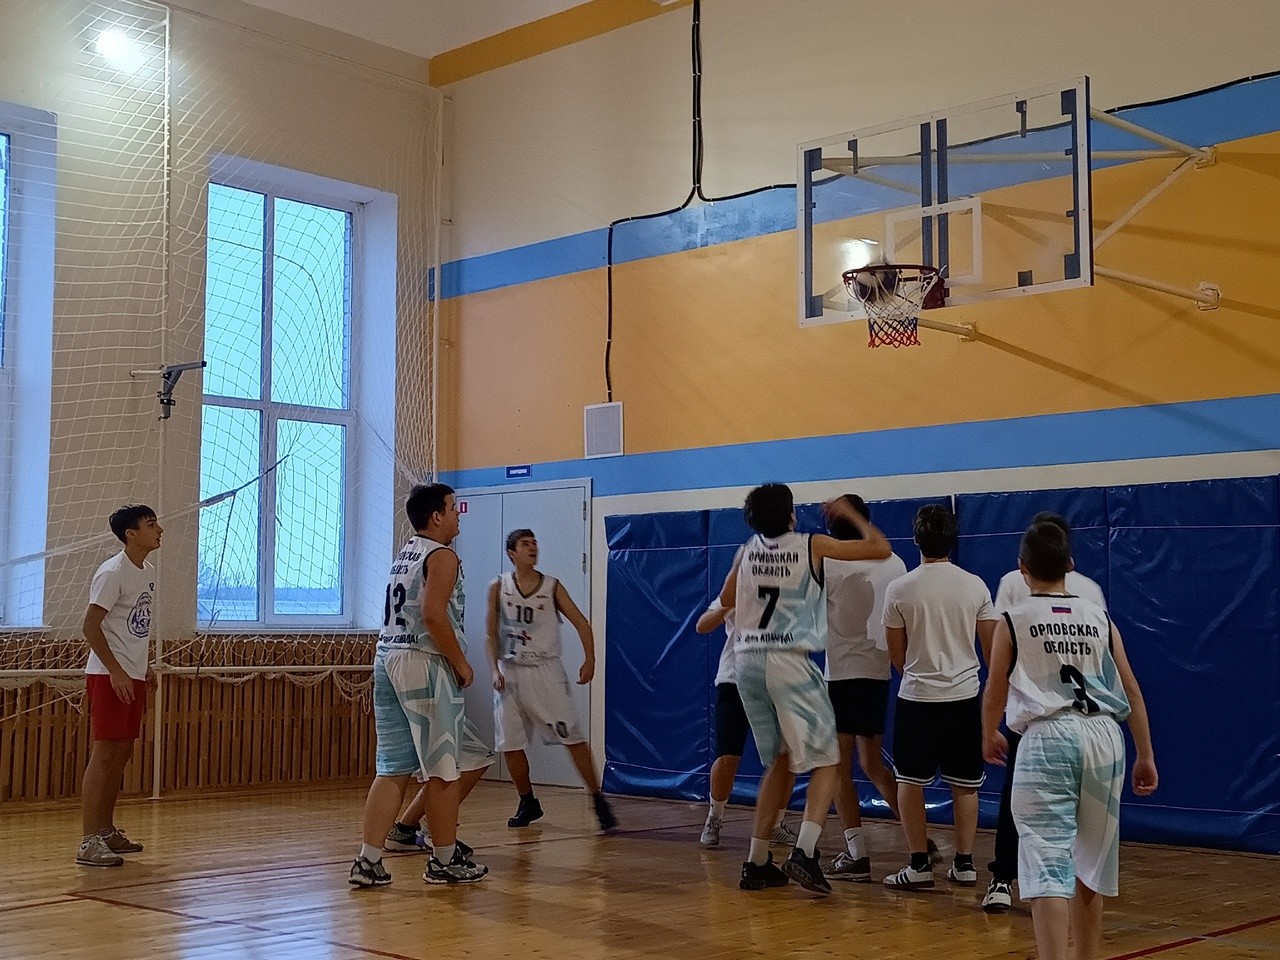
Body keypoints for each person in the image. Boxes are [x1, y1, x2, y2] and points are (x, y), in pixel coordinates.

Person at [982, 519, 1157, 960]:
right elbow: (1132, 689)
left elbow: (995, 689)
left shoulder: (1015, 618)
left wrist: (987, 732)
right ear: (1070, 565)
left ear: (1022, 569)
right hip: (1106, 738)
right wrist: (1146, 753)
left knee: (1046, 862)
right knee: (1090, 865)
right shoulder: (1100, 617)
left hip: (1047, 738)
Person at [718, 483, 891, 895]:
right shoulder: (811, 545)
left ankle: (757, 861)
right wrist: (850, 513)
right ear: (791, 515)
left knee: (779, 761)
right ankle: (805, 852)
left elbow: (726, 597)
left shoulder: (745, 550)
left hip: (746, 664)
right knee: (829, 758)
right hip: (787, 661)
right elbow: (880, 547)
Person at [350, 483, 494, 887]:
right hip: (423, 661)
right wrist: (460, 662)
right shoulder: (442, 555)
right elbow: (433, 615)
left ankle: (368, 860)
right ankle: (444, 860)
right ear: (436, 516)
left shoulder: (407, 552)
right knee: (443, 769)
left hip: (387, 657)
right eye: (453, 508)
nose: (457, 515)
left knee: (392, 768)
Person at [984, 512, 1107, 912]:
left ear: (1026, 561)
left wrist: (989, 725)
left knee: (1029, 820)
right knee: (1085, 829)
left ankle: (1010, 881)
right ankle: (1055, 887)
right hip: (1094, 727)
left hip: (1040, 723)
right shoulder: (1089, 592)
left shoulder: (1017, 584)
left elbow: (997, 655)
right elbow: (1118, 676)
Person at [882, 504, 999, 891]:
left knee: (909, 781)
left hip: (916, 697)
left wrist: (921, 674)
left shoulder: (899, 589)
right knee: (965, 784)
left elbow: (896, 655)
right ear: (953, 539)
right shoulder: (976, 585)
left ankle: (918, 865)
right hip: (964, 697)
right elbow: (991, 650)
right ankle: (965, 864)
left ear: (916, 539)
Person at [487, 529, 616, 832]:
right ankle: (527, 801)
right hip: (510, 670)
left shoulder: (551, 586)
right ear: (511, 553)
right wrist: (493, 669)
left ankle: (597, 798)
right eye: (525, 544)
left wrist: (590, 658)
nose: (532, 547)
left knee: (572, 736)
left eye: (534, 543)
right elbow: (490, 634)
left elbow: (581, 622)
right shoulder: (498, 586)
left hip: (545, 670)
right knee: (509, 743)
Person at [822, 495, 908, 881]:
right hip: (878, 673)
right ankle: (919, 841)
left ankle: (857, 853)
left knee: (838, 767)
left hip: (842, 675)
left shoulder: (826, 563)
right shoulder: (895, 563)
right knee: (872, 763)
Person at [76, 505, 162, 867]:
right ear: (131, 534)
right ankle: (88, 841)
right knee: (105, 752)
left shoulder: (148, 572)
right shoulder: (112, 572)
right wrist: (115, 671)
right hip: (109, 675)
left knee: (123, 751)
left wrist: (144, 666)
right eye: (151, 524)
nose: (159, 530)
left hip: (132, 674)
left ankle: (106, 830)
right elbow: (90, 626)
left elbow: (132, 627)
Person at [695, 600, 796, 848]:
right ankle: (714, 816)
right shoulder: (737, 587)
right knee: (728, 756)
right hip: (734, 680)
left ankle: (775, 824)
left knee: (786, 758)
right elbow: (702, 625)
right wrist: (725, 606)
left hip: (775, 682)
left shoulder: (790, 590)